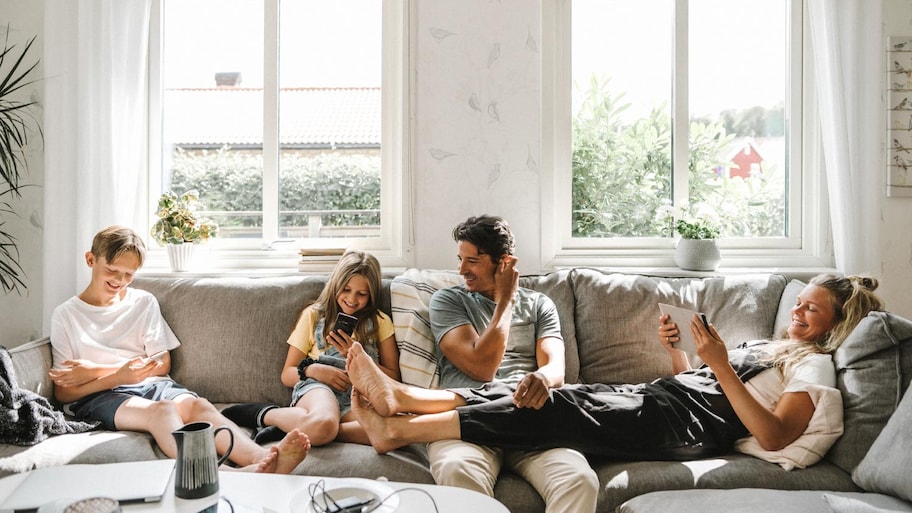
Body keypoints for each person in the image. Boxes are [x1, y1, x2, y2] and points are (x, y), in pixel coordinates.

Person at [345, 274, 883, 463]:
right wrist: (681, 354)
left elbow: (773, 435)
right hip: (665, 401)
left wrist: (717, 363)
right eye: (799, 303)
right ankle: (402, 406)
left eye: (811, 309)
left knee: (544, 407)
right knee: (537, 395)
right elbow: (705, 384)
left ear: (836, 325)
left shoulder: (813, 368)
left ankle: (399, 420)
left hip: (677, 427)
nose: (798, 312)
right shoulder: (776, 348)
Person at [49, 225, 311, 474]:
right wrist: (117, 378)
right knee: (163, 411)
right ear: (90, 259)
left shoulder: (143, 302)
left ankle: (263, 461)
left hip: (151, 383)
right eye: (112, 270)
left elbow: (161, 363)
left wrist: (103, 370)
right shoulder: (66, 315)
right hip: (99, 397)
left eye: (128, 275)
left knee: (200, 406)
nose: (119, 280)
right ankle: (222, 473)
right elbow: (64, 393)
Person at [420, 215, 598, 513]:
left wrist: (542, 377)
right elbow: (481, 368)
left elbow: (555, 367)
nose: (462, 270)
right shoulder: (448, 301)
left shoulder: (541, 304)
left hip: (527, 417)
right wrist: (506, 300)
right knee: (456, 469)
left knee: (579, 480)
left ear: (503, 263)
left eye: (473, 261)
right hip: (470, 419)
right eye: (460, 259)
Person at [222, 249, 399, 446]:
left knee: (392, 431)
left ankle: (295, 425)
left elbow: (393, 377)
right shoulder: (314, 316)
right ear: (335, 285)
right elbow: (287, 373)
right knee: (324, 424)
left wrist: (358, 359)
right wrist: (315, 370)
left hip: (358, 395)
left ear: (371, 294)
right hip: (318, 387)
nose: (352, 299)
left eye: (362, 294)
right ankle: (267, 414)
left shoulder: (380, 322)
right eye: (346, 290)